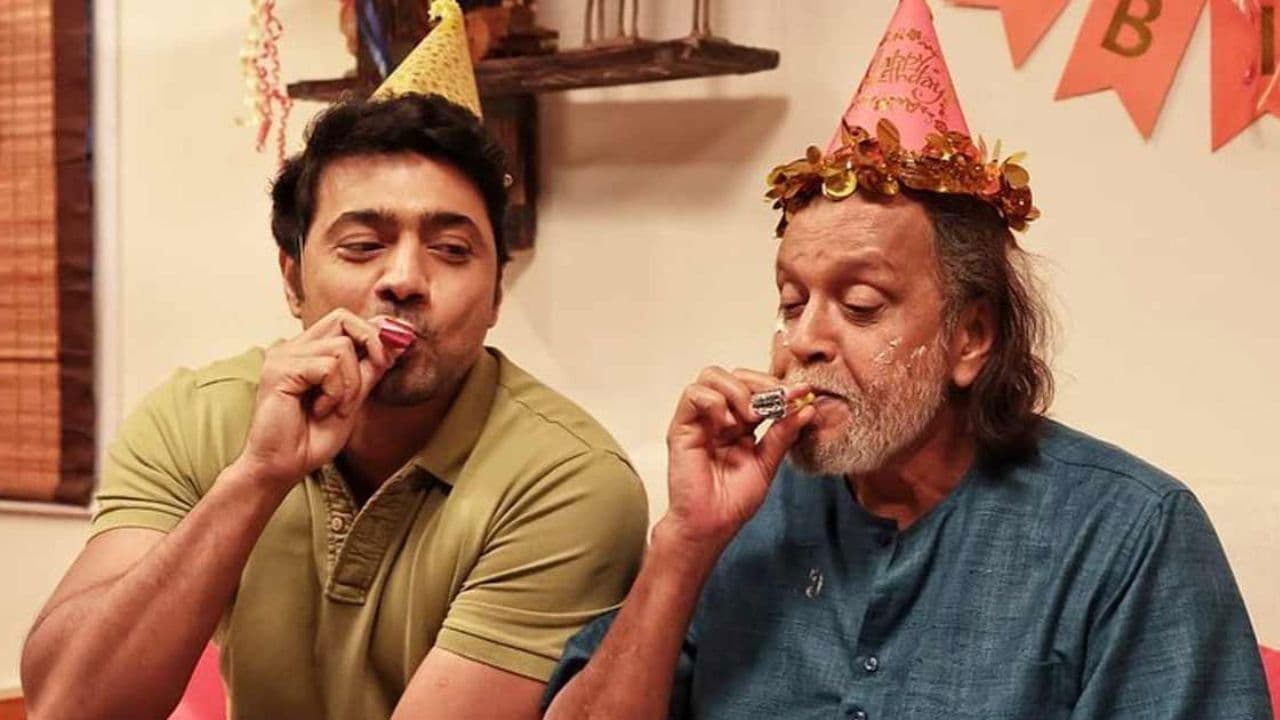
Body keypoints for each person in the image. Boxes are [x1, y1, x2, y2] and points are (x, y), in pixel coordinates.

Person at [541, 1, 1272, 718]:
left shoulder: (1127, 534)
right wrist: (684, 544)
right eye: (792, 302)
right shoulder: (747, 520)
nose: (804, 340)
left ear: (970, 338)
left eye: (861, 305)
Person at [21, 3, 647, 718]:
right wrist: (255, 476)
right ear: (292, 280)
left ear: (496, 295)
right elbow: (67, 703)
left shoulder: (569, 481)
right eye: (362, 246)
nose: (404, 280)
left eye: (451, 250)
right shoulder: (195, 416)